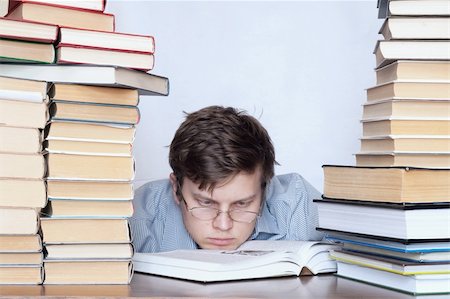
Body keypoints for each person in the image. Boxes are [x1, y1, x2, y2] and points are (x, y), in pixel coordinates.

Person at [131, 105, 323, 253]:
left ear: (264, 190)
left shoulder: (300, 208)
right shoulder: (137, 217)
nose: (223, 226)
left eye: (242, 204)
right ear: (176, 189)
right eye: (205, 203)